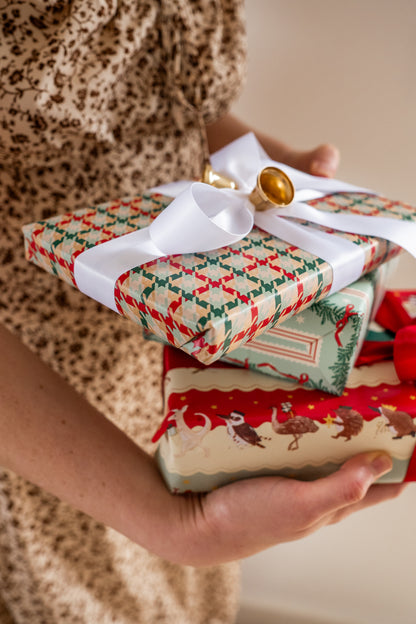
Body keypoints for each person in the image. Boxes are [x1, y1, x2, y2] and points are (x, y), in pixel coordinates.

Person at [0, 2, 405, 623]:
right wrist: (172, 524)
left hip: (179, 315)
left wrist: (256, 165)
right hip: (38, 415)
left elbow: (130, 87)